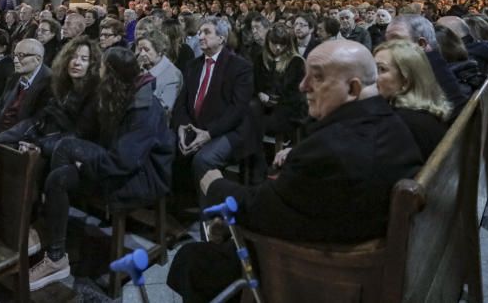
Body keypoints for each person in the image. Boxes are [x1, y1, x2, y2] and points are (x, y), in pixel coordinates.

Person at [167, 41, 423, 301]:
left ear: (353, 88)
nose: (303, 86)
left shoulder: (332, 148)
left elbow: (265, 210)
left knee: (190, 260)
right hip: (340, 242)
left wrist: (216, 187)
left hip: (313, 272)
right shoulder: (391, 123)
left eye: (318, 77)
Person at [28, 47, 174, 290]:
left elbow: (124, 161)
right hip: (116, 164)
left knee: (66, 148)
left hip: (142, 176)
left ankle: (51, 233)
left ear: (114, 76)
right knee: (57, 178)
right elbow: (92, 136)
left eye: (103, 69)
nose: (98, 73)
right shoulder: (118, 94)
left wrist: (84, 165)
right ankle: (56, 252)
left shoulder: (144, 107)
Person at [171, 16, 255, 188]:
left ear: (221, 38)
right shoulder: (193, 65)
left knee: (204, 160)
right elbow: (182, 102)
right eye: (200, 32)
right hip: (195, 126)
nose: (200, 36)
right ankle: (179, 209)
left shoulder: (239, 67)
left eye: (207, 32)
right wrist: (182, 126)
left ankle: (210, 212)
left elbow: (237, 110)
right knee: (168, 146)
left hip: (228, 131)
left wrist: (208, 133)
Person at [0, 35, 101, 153]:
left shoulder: (95, 94)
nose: (77, 62)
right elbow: (39, 120)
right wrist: (0, 138)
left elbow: (79, 134)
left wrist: (39, 145)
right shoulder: (60, 87)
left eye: (84, 59)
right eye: (73, 57)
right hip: (49, 143)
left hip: (70, 152)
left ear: (92, 64)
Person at [372, 40, 453, 160]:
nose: (371, 76)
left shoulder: (401, 124)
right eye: (372, 68)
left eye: (381, 69)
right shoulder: (424, 114)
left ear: (406, 80)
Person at [385, 14, 468, 113]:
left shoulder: (429, 73)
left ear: (421, 44)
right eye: (386, 41)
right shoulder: (434, 63)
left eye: (396, 40)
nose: (386, 47)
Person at [0, 38, 52, 137]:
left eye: (21, 56)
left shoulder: (49, 83)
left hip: (19, 140)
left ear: (38, 59)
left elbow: (35, 122)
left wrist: (0, 138)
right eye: (15, 55)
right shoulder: (14, 76)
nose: (15, 60)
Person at [255, 22, 306, 137]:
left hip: (289, 107)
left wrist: (272, 99)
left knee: (256, 123)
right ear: (268, 42)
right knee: (249, 113)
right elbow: (256, 82)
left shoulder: (296, 61)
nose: (278, 47)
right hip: (265, 103)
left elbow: (296, 93)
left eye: (282, 44)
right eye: (274, 43)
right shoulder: (260, 58)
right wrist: (260, 93)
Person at [136, 30, 183, 114]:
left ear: (159, 50)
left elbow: (165, 109)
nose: (142, 54)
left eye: (146, 50)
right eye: (140, 50)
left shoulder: (173, 75)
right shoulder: (138, 67)